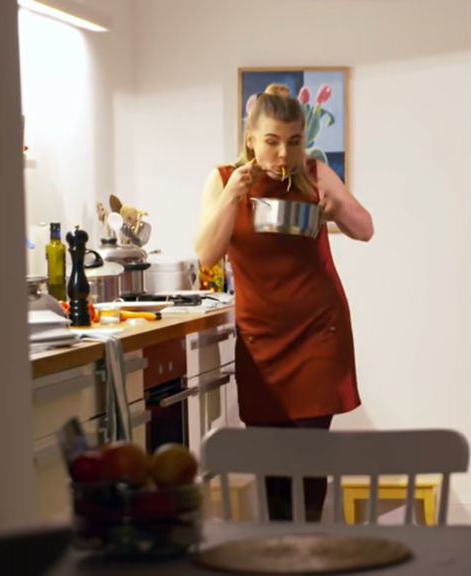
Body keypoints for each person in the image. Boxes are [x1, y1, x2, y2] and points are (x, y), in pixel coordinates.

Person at [193, 83, 374, 522]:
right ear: (250, 138)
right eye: (272, 141)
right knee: (270, 466)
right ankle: (277, 549)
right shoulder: (223, 179)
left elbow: (365, 228)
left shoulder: (313, 172)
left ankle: (308, 546)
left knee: (308, 463)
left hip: (318, 335)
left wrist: (335, 208)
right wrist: (231, 197)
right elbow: (206, 254)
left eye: (293, 142)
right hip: (261, 340)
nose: (282, 154)